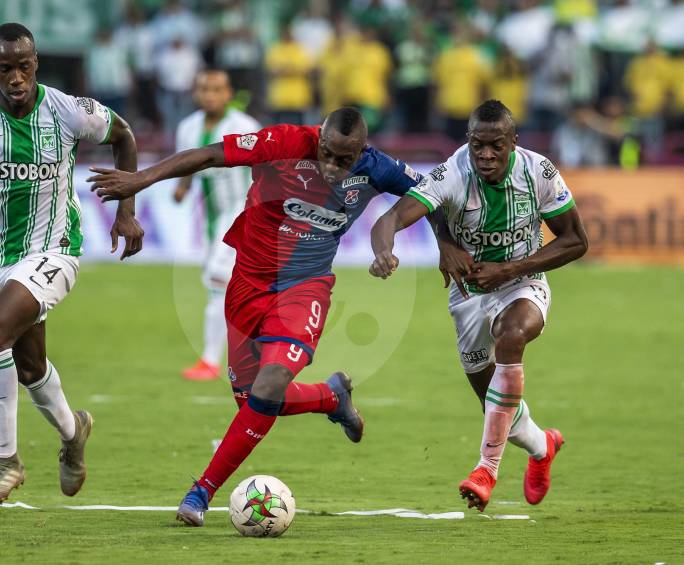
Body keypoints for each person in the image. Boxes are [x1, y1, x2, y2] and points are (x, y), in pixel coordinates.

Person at [88, 107, 441, 527]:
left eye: (343, 160)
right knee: (252, 401)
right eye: (326, 153)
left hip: (304, 287)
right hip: (248, 284)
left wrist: (434, 246)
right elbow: (209, 155)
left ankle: (201, 491)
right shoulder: (286, 142)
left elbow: (433, 195)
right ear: (319, 139)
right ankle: (330, 397)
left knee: (271, 383)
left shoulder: (378, 167)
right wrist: (142, 179)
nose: (331, 166)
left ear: (361, 151)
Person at [0, 23, 144, 505]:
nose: (16, 77)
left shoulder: (66, 109)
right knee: (29, 366)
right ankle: (73, 432)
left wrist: (127, 210)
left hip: (57, 248)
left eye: (24, 66)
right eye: (6, 69)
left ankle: (6, 461)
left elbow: (124, 134)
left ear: (36, 62)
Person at [370, 100, 588, 512]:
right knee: (493, 400)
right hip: (469, 292)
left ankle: (486, 469)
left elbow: (576, 240)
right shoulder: (453, 172)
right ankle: (543, 447)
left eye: (496, 146)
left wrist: (511, 269)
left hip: (523, 279)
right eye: (477, 146)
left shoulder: (538, 172)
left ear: (514, 142)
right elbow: (391, 219)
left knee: (512, 335)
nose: (486, 155)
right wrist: (384, 251)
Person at [173, 69, 260, 380]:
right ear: (196, 93)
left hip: (242, 215)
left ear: (228, 93)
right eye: (204, 89)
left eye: (217, 89)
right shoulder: (188, 128)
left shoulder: (245, 127)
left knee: (217, 279)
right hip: (210, 220)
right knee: (222, 285)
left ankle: (211, 360)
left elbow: (264, 168)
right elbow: (186, 162)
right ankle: (248, 351)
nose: (210, 95)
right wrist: (183, 186)